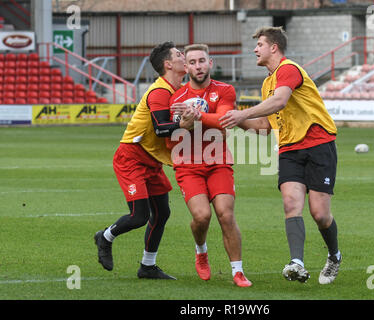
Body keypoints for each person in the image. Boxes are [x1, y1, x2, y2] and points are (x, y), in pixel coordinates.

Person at [219, 26, 342, 285]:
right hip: (289, 150)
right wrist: (232, 118)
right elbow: (265, 127)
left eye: (260, 45)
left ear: (274, 47)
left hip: (318, 143)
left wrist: (242, 113)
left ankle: (334, 255)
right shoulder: (266, 83)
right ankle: (297, 262)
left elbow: (280, 101)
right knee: (290, 204)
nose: (255, 49)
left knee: (320, 214)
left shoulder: (288, 69)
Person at [94, 42, 196, 279]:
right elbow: (162, 129)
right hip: (131, 157)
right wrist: (185, 124)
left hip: (151, 160)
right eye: (180, 54)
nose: (185, 57)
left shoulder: (180, 90)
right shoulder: (160, 91)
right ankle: (105, 237)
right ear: (168, 64)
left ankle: (147, 266)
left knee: (161, 213)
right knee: (138, 216)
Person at [167, 44, 252, 287]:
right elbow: (170, 138)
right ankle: (201, 251)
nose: (198, 66)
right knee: (202, 216)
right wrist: (184, 125)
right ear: (186, 67)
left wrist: (198, 116)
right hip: (188, 163)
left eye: (202, 61)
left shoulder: (225, 90)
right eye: (192, 62)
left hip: (218, 161)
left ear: (210, 62)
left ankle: (238, 271)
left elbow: (224, 120)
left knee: (226, 214)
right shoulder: (177, 98)